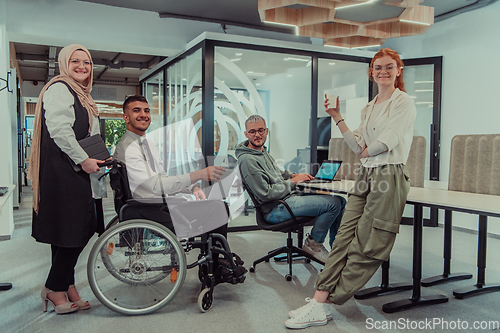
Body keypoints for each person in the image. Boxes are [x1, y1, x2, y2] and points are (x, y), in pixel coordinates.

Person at [285, 48, 416, 329]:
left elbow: (386, 142)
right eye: (378, 67)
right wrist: (337, 115)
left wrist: (365, 150)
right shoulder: (368, 108)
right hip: (365, 174)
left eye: (389, 67)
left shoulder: (404, 103)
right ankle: (320, 300)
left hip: (389, 174)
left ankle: (326, 302)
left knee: (370, 242)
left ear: (398, 70)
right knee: (344, 236)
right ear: (371, 72)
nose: (383, 71)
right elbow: (358, 146)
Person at [113, 95, 246, 280]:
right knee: (217, 209)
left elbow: (162, 178)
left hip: (157, 202)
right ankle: (215, 265)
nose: (143, 115)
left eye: (146, 110)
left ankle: (216, 260)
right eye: (136, 111)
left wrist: (191, 188)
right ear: (125, 117)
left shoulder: (146, 143)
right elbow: (154, 185)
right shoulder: (129, 148)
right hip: (147, 208)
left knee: (218, 205)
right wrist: (198, 175)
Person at [29, 44, 107, 314]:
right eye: (75, 61)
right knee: (77, 230)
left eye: (86, 62)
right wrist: (84, 159)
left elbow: (87, 133)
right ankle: (53, 288)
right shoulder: (60, 88)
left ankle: (67, 285)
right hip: (65, 170)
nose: (82, 67)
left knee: (65, 232)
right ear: (64, 63)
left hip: (73, 170)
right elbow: (60, 131)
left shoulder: (82, 94)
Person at [236, 115, 346, 263]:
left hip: (285, 200)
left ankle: (337, 248)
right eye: (252, 131)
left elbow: (277, 173)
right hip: (274, 209)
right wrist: (293, 182)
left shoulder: (262, 152)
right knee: (333, 204)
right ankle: (314, 244)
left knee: (341, 200)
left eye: (261, 130)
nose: (257, 135)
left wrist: (293, 175)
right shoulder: (248, 160)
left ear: (266, 131)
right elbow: (266, 194)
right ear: (246, 134)